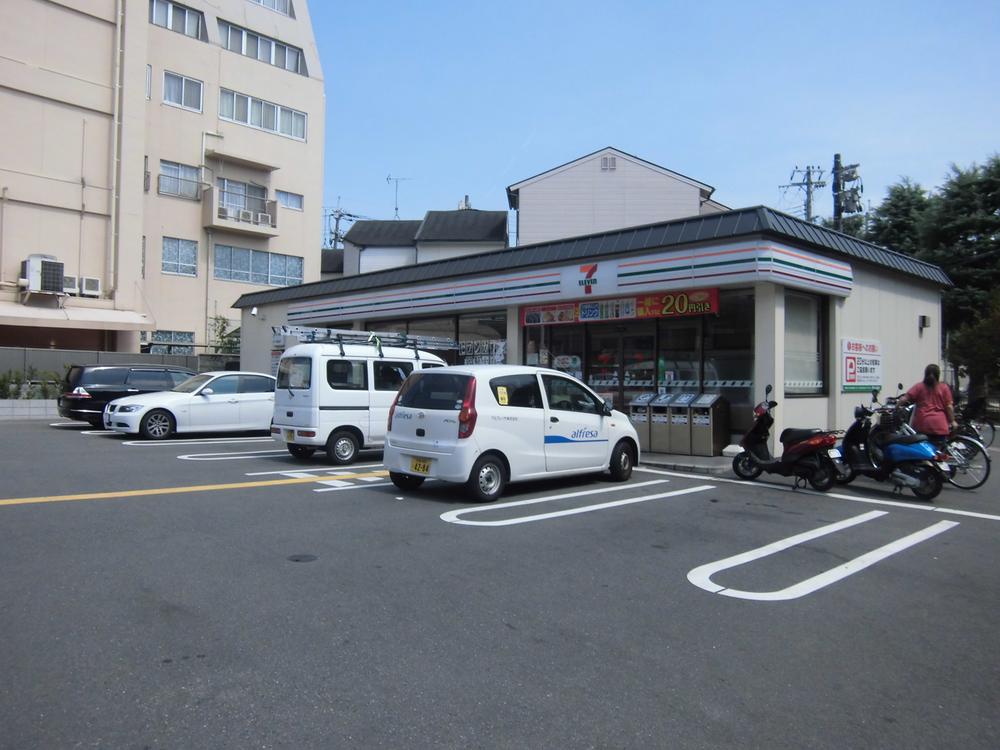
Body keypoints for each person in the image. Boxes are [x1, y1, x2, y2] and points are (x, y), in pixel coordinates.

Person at [898, 363, 956, 443]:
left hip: (923, 425)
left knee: (923, 451)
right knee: (939, 451)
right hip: (940, 426)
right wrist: (952, 421)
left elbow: (904, 399)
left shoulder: (919, 387)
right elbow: (949, 406)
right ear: (938, 375)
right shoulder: (944, 388)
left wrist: (896, 407)